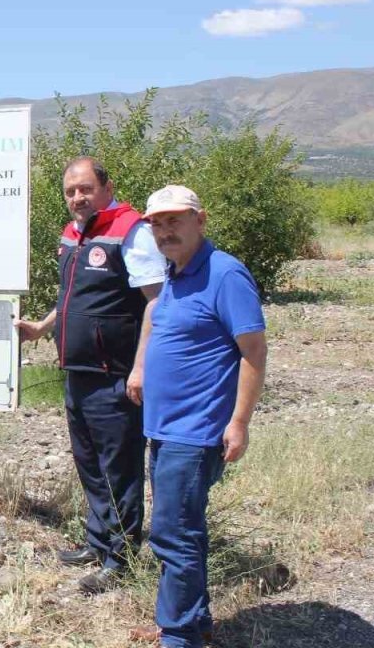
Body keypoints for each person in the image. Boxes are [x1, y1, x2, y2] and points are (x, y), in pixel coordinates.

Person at [15, 156, 165, 593]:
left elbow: (156, 303)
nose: (77, 198)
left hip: (115, 374)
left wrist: (141, 367)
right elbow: (73, 295)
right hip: (77, 369)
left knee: (119, 466)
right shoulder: (74, 233)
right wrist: (43, 327)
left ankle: (120, 558)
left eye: (85, 189)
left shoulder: (132, 232)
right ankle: (98, 542)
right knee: (89, 463)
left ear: (107, 187)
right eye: (70, 191)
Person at [127, 186, 267, 648]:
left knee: (172, 534)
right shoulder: (176, 272)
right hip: (165, 428)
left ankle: (179, 634)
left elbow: (253, 351)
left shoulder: (225, 275)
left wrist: (239, 422)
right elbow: (158, 314)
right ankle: (195, 620)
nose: (164, 230)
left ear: (200, 220)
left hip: (196, 430)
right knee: (186, 529)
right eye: (156, 223)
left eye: (174, 220)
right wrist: (142, 366)